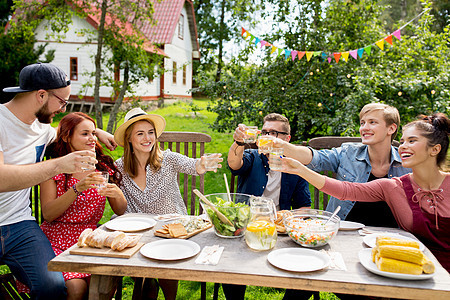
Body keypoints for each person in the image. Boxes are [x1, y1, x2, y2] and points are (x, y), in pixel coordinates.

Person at [277, 113, 450, 272]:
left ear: (435, 149)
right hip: (412, 270)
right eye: (403, 141)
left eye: (411, 141)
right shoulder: (392, 186)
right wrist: (300, 169)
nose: (403, 147)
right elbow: (346, 190)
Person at [0, 63, 116, 299]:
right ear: (41, 95)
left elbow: (63, 131)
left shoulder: (41, 128)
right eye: (62, 102)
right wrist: (58, 165)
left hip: (19, 224)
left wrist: (98, 132)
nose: (63, 108)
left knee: (53, 285)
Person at [113, 107, 222, 300]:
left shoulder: (168, 159)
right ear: (129, 138)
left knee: (164, 268)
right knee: (141, 276)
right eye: (140, 134)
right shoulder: (118, 167)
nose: (147, 138)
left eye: (151, 132)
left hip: (170, 229)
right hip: (137, 232)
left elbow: (193, 165)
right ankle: (147, 282)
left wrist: (202, 164)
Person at [35, 112, 126, 300]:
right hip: (56, 241)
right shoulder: (54, 169)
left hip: (90, 240)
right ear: (67, 137)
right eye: (85, 134)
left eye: (93, 134)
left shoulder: (101, 168)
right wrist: (77, 188)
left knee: (102, 287)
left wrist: (118, 195)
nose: (92, 139)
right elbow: (48, 214)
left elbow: (120, 210)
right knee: (76, 289)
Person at [274, 103, 411, 227]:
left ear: (391, 128)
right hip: (344, 230)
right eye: (362, 123)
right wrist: (283, 146)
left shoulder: (407, 163)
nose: (364, 128)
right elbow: (316, 158)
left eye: (372, 122)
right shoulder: (348, 153)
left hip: (391, 235)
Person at [225, 113, 311, 300]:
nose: (267, 137)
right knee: (229, 266)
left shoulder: (295, 166)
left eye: (274, 133)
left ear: (287, 139)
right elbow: (234, 164)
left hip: (281, 231)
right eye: (264, 132)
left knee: (306, 272)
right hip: (245, 227)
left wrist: (285, 219)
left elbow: (305, 206)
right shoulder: (253, 157)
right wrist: (238, 143)